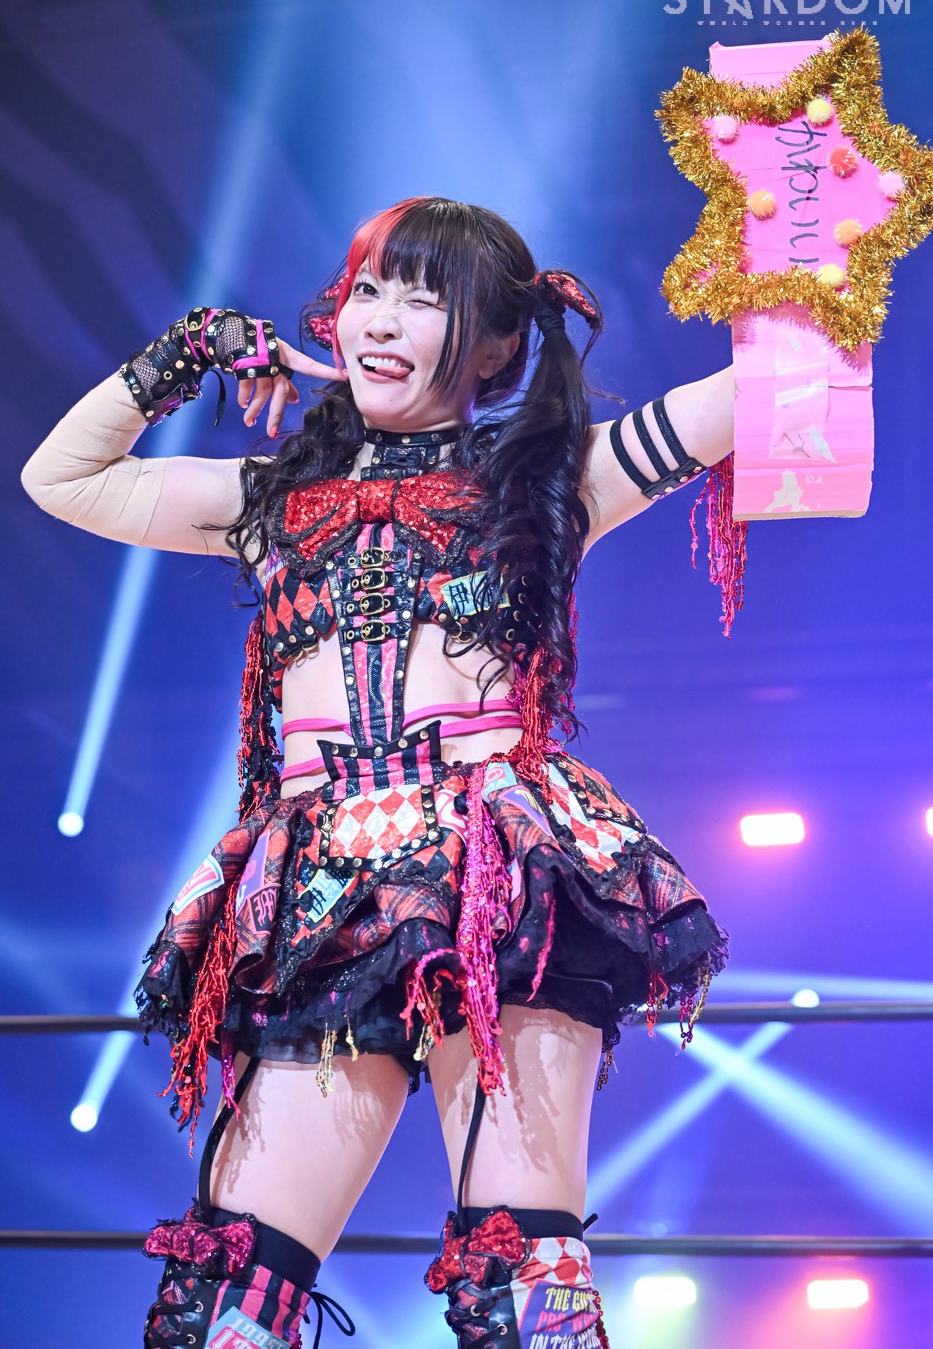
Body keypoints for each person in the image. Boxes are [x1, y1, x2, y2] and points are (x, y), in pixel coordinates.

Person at [22, 196, 734, 1349]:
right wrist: (191, 349)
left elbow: (768, 394)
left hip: (501, 879)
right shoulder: (272, 502)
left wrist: (802, 233)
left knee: (525, 1290)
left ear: (496, 344)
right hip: (324, 895)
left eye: (424, 297)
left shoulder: (548, 479)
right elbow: (62, 478)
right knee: (229, 1300)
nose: (383, 319)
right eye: (367, 291)